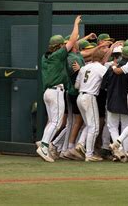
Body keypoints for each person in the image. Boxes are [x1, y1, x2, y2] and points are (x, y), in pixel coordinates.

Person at [36, 15, 81, 162]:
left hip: (47, 92)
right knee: (56, 122)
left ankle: (44, 143)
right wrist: (75, 23)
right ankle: (43, 146)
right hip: (56, 91)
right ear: (59, 45)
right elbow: (73, 40)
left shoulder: (45, 56)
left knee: (52, 122)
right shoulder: (58, 55)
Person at [75, 48, 108, 162]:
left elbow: (76, 85)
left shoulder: (84, 67)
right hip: (89, 97)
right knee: (94, 127)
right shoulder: (102, 68)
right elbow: (107, 82)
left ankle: (80, 143)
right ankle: (89, 154)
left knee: (89, 125)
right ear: (103, 58)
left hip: (80, 96)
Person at [101, 45, 128, 160]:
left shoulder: (111, 68)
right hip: (127, 101)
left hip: (112, 101)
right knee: (126, 127)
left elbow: (103, 86)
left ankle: (119, 151)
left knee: (112, 127)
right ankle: (123, 152)